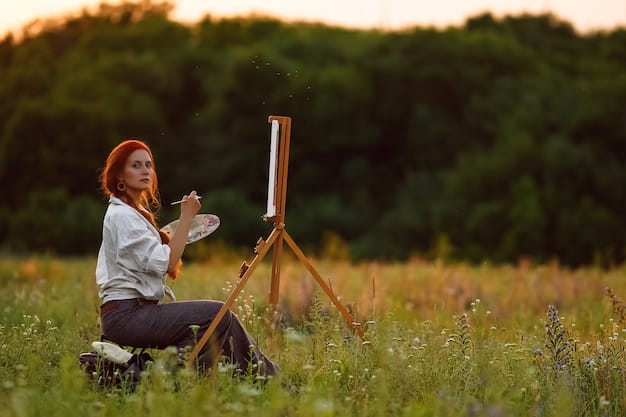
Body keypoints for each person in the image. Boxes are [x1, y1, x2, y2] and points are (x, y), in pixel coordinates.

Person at [95, 139, 279, 377]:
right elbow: (168, 262)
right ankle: (168, 379)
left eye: (148, 165)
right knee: (214, 314)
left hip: (133, 312)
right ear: (119, 176)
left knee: (223, 319)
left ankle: (264, 377)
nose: (145, 171)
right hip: (127, 315)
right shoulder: (123, 216)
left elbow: (159, 257)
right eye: (136, 165)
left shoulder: (132, 212)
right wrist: (186, 218)